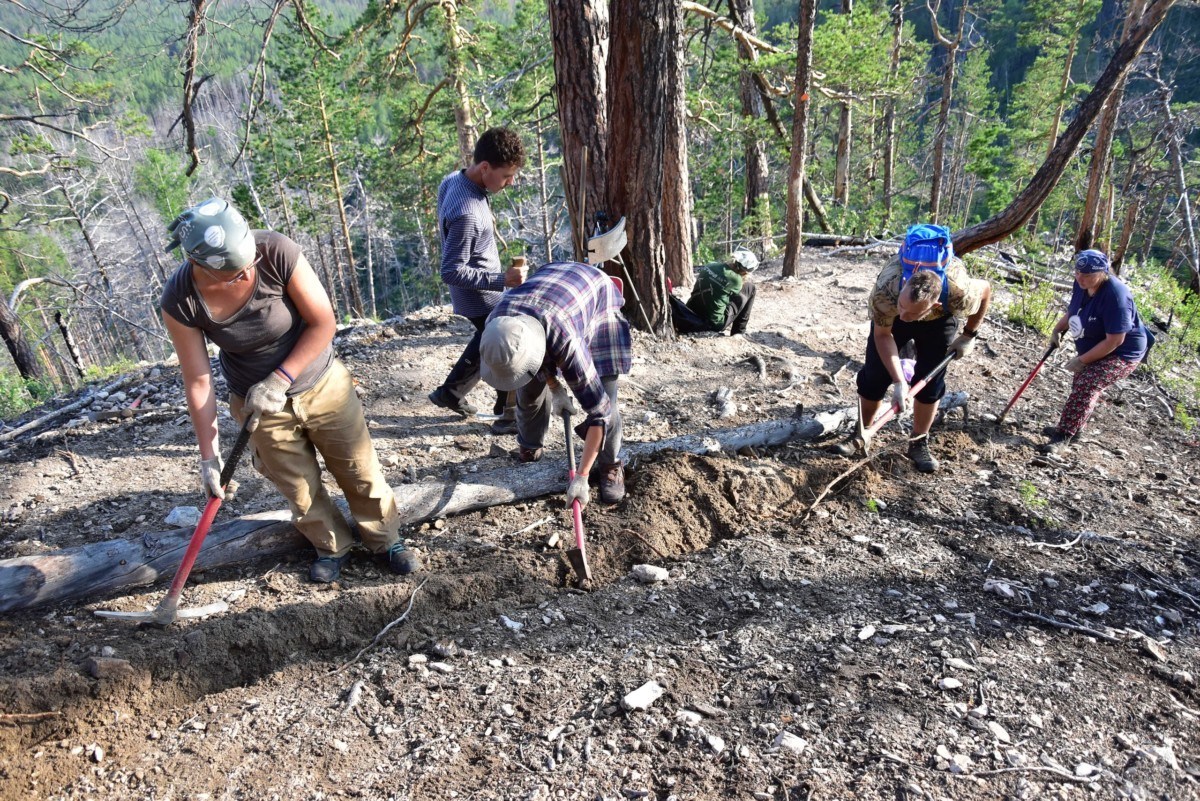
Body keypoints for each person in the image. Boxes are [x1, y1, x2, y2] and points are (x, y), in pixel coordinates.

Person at [160, 198, 420, 584]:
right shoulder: (180, 300)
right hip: (258, 408)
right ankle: (332, 546)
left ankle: (385, 539)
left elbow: (323, 322)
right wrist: (208, 456)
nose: (248, 274)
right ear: (200, 265)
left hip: (322, 385)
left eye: (251, 264)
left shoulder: (276, 251)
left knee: (359, 470)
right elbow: (198, 380)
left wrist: (280, 378)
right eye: (235, 274)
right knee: (299, 488)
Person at [477, 261, 632, 506]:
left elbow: (599, 413)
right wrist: (555, 387)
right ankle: (530, 445)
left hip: (594, 294)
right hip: (551, 294)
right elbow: (536, 362)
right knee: (528, 390)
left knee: (606, 398)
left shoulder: (566, 340)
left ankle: (610, 464)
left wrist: (580, 477)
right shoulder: (497, 322)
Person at [835, 230, 991, 472]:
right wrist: (899, 382)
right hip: (889, 321)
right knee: (874, 375)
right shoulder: (886, 290)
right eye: (903, 307)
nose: (905, 317)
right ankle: (861, 432)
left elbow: (986, 290)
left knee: (930, 381)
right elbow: (883, 335)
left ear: (935, 304)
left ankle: (919, 441)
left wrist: (968, 335)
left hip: (939, 321)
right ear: (904, 285)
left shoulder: (959, 293)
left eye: (912, 313)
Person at [427, 127, 527, 435]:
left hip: (480, 291)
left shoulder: (454, 180)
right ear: (484, 167)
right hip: (481, 294)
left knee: (485, 341)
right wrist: (502, 279)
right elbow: (450, 270)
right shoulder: (468, 212)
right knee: (507, 346)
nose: (511, 182)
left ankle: (451, 393)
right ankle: (509, 413)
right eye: (507, 176)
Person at [1040, 249, 1150, 454]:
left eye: (1088, 274)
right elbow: (1074, 310)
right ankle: (1075, 429)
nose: (1081, 278)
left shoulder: (1116, 296)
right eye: (1077, 273)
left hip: (1123, 351)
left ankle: (1063, 435)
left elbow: (1116, 340)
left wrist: (1082, 360)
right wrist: (1057, 329)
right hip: (1096, 342)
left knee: (1088, 382)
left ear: (1103, 272)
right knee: (1080, 384)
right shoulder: (1082, 284)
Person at [670, 249, 760, 335]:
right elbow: (735, 297)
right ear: (746, 271)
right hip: (712, 324)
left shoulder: (711, 265)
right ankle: (739, 332)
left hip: (690, 312)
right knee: (750, 288)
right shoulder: (736, 281)